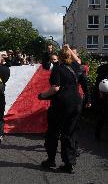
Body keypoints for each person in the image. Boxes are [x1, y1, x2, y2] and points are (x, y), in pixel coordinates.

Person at [38, 45, 90, 174]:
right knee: (69, 133)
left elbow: (55, 88)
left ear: (59, 57)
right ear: (70, 56)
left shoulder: (57, 69)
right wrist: (69, 49)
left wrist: (42, 95)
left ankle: (51, 160)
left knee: (53, 132)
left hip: (62, 104)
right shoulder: (76, 66)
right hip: (76, 102)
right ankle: (69, 163)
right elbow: (77, 59)